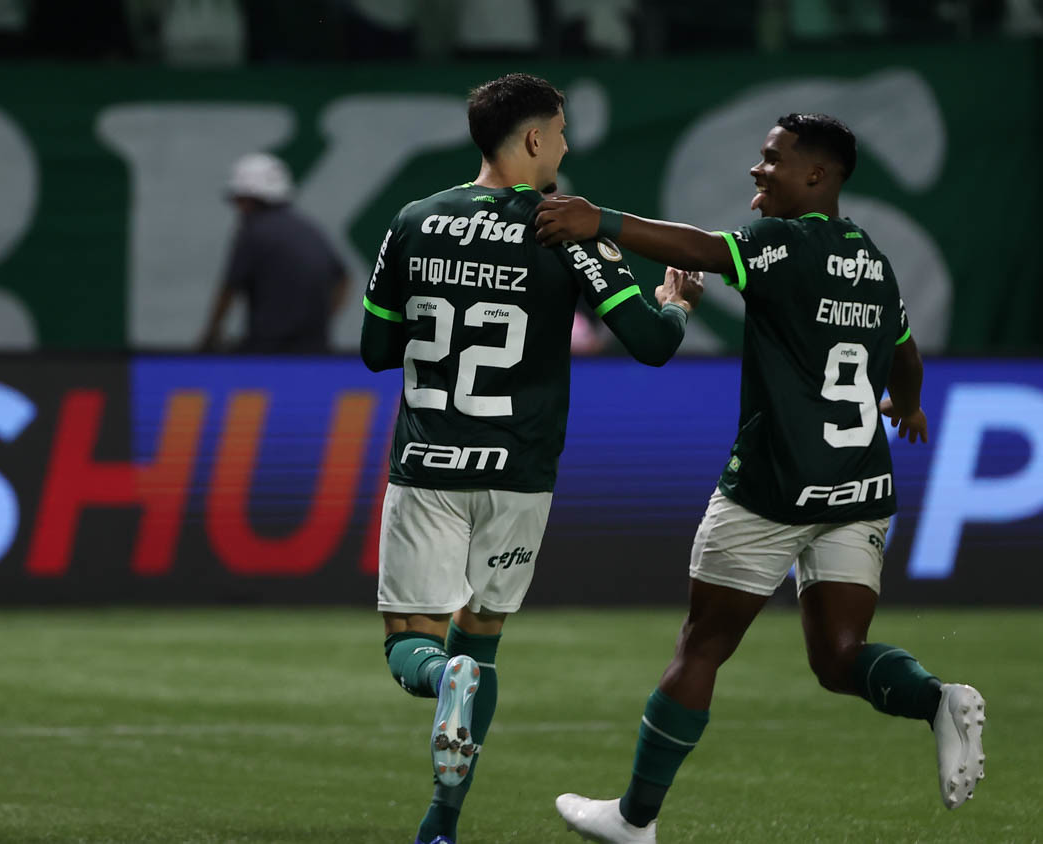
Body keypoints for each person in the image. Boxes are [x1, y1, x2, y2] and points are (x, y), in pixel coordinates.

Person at [535, 113, 984, 844]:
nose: (757, 170)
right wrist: (908, 403)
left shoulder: (781, 242)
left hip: (776, 485)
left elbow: (700, 250)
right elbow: (903, 351)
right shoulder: (872, 258)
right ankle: (936, 700)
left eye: (773, 159)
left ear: (819, 176)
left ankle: (634, 820)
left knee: (703, 646)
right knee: (841, 656)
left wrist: (598, 221)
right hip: (859, 487)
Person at [360, 72, 704, 844]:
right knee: (478, 637)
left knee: (410, 637)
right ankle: (441, 819)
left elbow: (375, 350)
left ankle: (436, 700)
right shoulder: (567, 231)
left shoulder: (415, 220)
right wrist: (677, 304)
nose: (568, 143)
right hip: (521, 473)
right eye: (562, 129)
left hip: (432, 463)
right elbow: (651, 345)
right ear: (534, 139)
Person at [198, 152, 350, 353]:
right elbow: (344, 279)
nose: (237, 208)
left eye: (238, 200)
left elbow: (229, 289)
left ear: (249, 199)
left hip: (268, 353)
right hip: (315, 350)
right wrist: (321, 319)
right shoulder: (309, 229)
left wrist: (209, 337)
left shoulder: (252, 232)